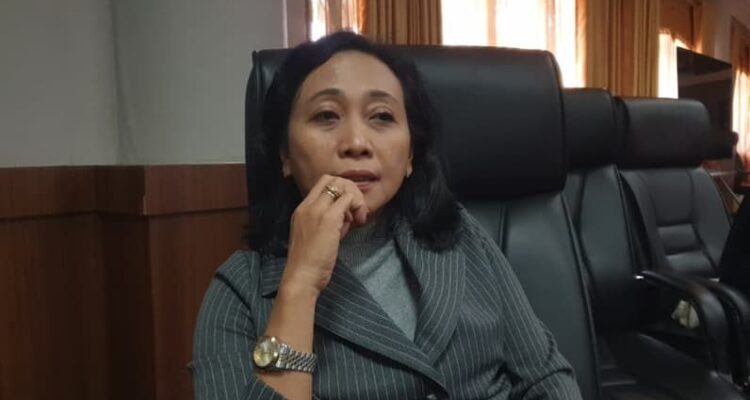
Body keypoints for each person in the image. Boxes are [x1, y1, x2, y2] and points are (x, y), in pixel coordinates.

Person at [192, 31, 583, 400]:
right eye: (326, 115)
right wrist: (301, 284)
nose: (356, 143)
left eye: (382, 116)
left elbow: (545, 377)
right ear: (284, 156)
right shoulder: (240, 290)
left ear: (410, 155)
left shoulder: (462, 235)